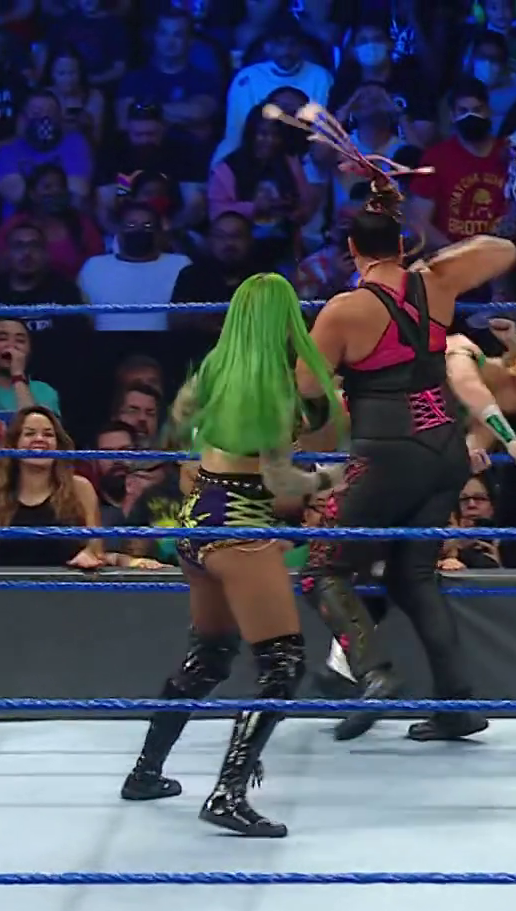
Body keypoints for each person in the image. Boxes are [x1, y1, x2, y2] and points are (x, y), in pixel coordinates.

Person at [300, 110, 516, 743]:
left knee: (323, 569)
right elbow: (504, 249)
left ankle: (373, 671)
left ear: (352, 251)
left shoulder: (343, 309)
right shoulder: (436, 284)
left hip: (388, 451)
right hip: (445, 450)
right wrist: (427, 254)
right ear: (403, 245)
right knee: (413, 577)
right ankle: (457, 704)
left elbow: (306, 390)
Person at [119, 272, 348, 839]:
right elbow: (281, 482)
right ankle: (227, 793)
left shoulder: (214, 370)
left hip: (195, 521)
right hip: (239, 529)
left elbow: (176, 428)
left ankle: (144, 772)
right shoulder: (274, 388)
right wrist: (331, 478)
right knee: (283, 664)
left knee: (212, 655)